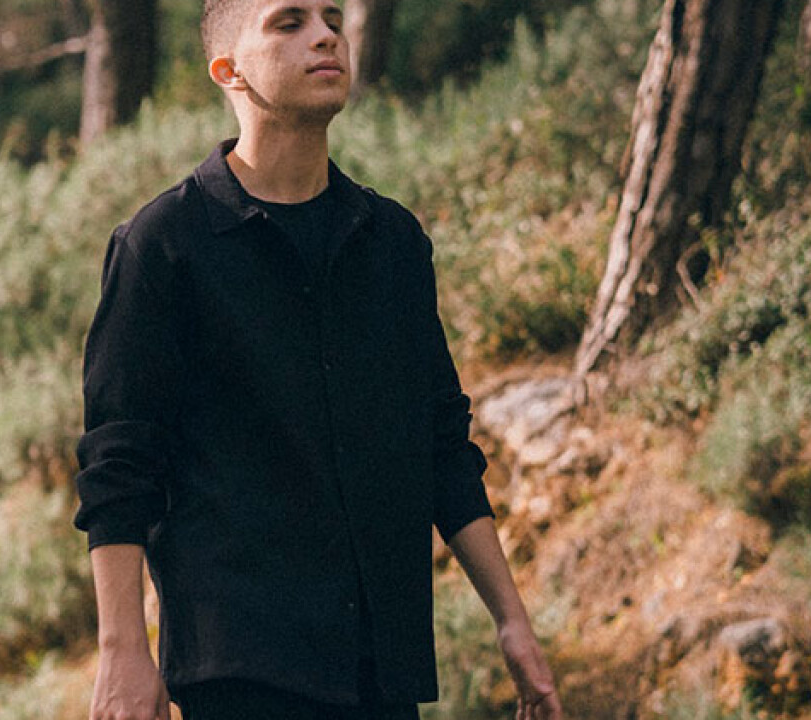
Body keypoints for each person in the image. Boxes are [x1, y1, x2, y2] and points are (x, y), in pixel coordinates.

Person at [71, 1, 566, 718]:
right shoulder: (164, 244)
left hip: (383, 675)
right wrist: (123, 649)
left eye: (332, 18)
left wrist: (511, 620)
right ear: (228, 71)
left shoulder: (392, 241)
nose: (327, 35)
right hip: (240, 673)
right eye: (289, 22)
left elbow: (442, 447)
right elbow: (119, 463)